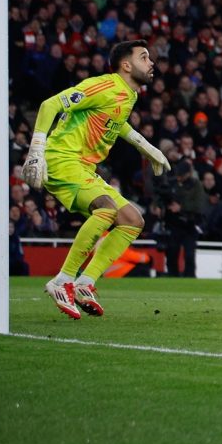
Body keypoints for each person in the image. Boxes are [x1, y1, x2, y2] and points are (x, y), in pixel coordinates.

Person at [22, 40, 169, 319]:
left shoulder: (129, 95)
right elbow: (50, 104)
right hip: (62, 158)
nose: (152, 63)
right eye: (144, 57)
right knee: (105, 208)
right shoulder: (104, 85)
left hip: (84, 167)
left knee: (133, 220)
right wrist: (37, 149)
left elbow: (115, 120)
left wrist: (145, 146)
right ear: (126, 65)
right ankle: (62, 280)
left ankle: (85, 282)